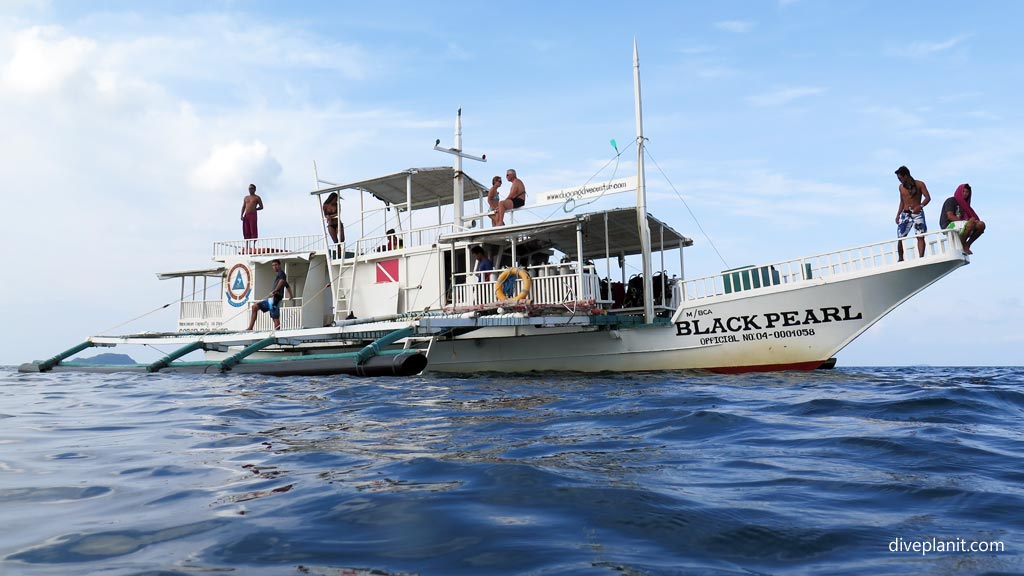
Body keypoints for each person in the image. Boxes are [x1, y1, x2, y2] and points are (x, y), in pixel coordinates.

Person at [894, 165, 931, 261]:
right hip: (905, 213)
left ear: (906, 176)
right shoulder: (901, 187)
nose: (899, 180)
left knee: (920, 235)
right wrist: (898, 214)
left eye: (900, 178)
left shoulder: (919, 184)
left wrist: (920, 206)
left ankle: (921, 257)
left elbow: (927, 197)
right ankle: (901, 258)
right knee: (900, 237)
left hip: (917, 213)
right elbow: (902, 201)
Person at [939, 183, 985, 255]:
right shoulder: (951, 200)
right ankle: (962, 245)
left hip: (961, 224)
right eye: (963, 191)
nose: (965, 193)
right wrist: (967, 221)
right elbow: (950, 216)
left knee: (981, 224)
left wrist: (970, 221)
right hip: (949, 225)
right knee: (971, 222)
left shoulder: (966, 205)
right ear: (959, 191)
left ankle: (967, 245)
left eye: (967, 192)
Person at [247, 259, 290, 330]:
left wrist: (275, 290)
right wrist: (291, 295)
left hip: (275, 299)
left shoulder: (281, 273)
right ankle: (250, 327)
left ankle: (277, 332)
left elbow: (282, 282)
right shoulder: (280, 275)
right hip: (271, 299)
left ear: (279, 265)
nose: (274, 267)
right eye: (273, 265)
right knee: (254, 307)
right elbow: (287, 285)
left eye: (276, 265)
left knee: (274, 317)